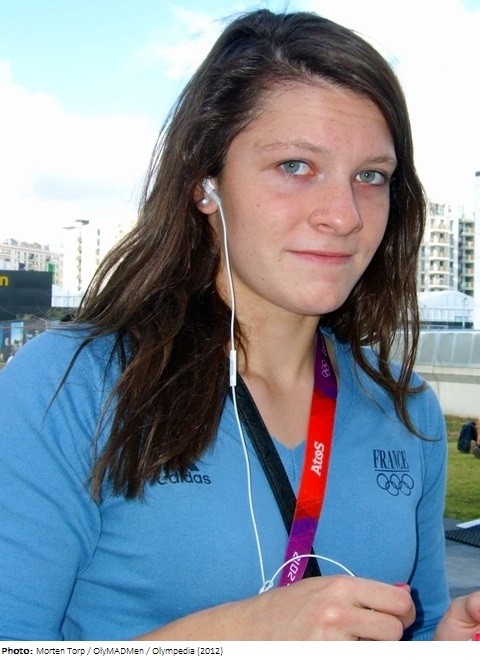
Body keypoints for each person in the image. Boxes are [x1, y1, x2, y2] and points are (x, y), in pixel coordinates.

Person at [1, 8, 479, 643]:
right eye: (295, 166)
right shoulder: (72, 388)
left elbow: (409, 632)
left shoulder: (406, 408)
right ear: (205, 184)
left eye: (371, 176)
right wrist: (232, 637)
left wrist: (445, 645)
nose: (344, 215)